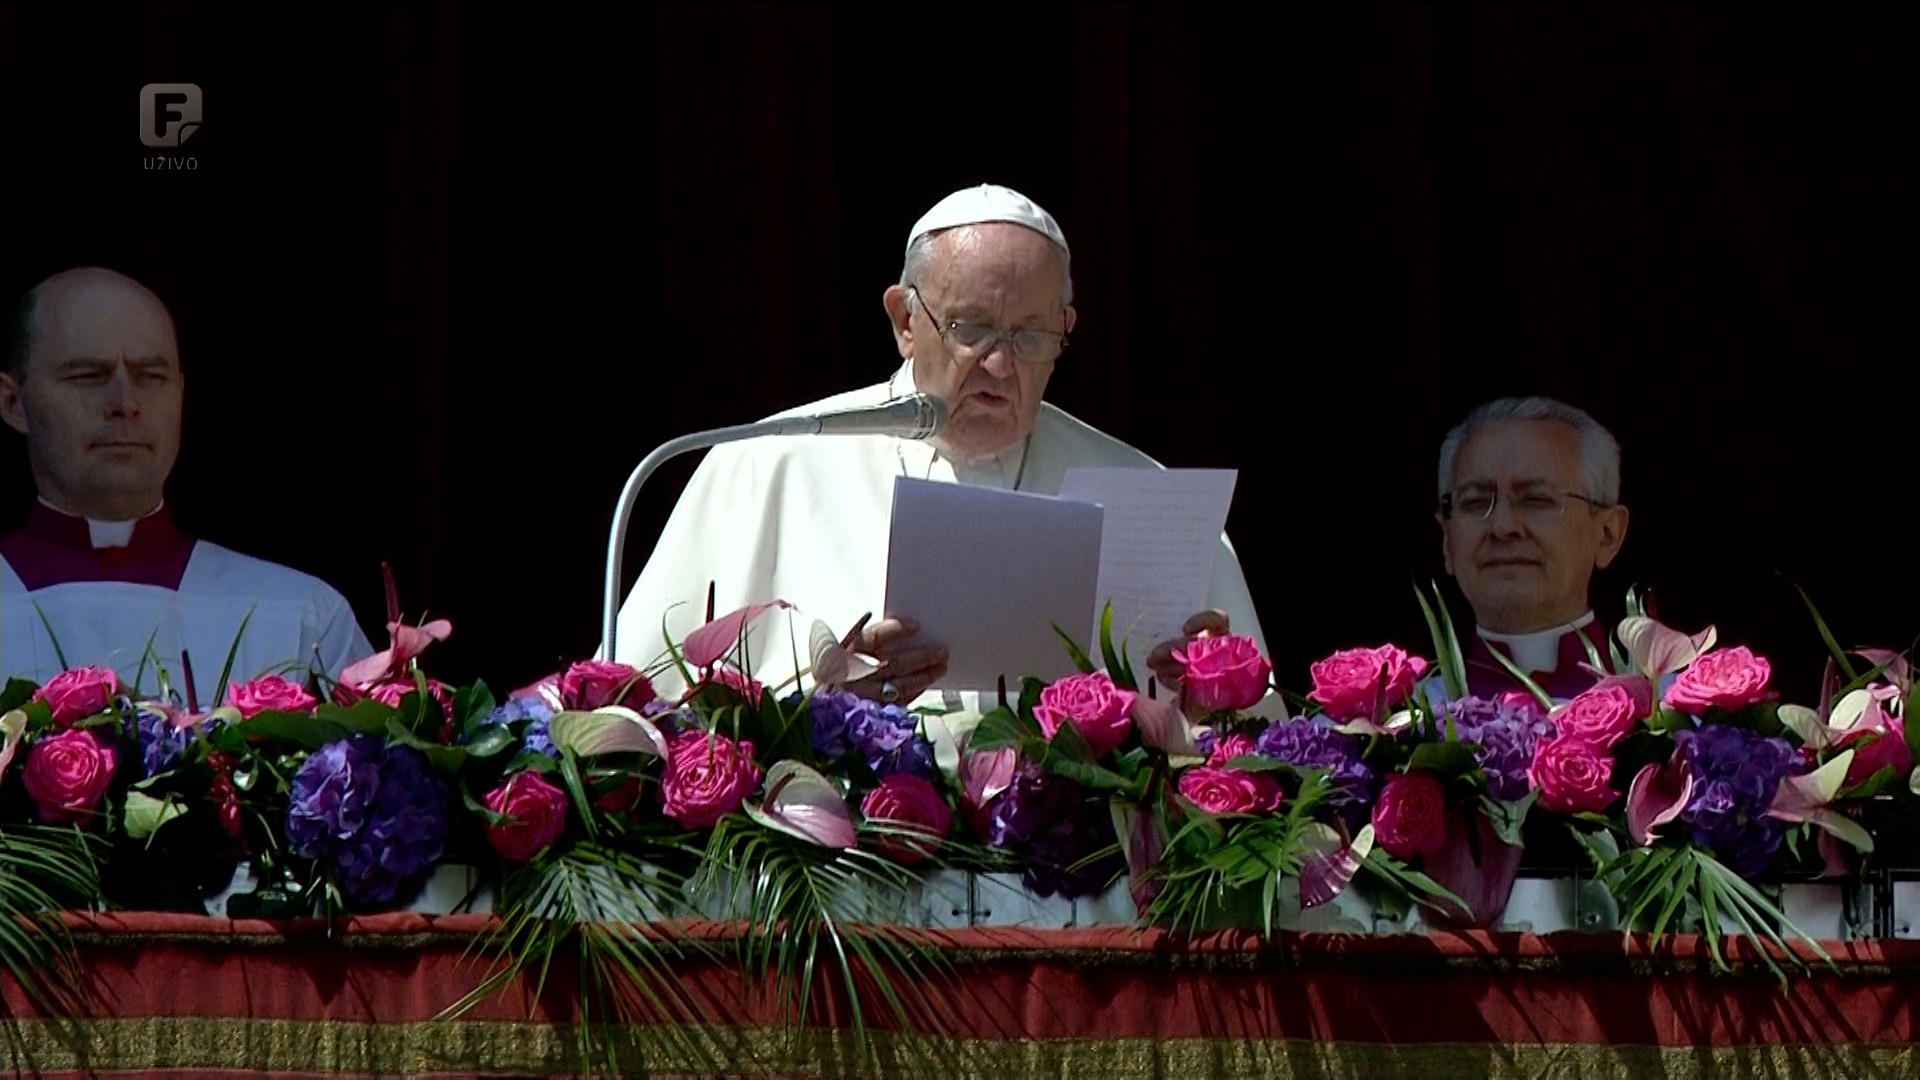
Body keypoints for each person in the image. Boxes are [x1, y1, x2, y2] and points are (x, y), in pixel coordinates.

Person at [611, 183, 1267, 711]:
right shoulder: (769, 462)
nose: (1002, 366)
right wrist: (822, 701)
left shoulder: (1139, 486)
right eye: (972, 329)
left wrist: (1206, 697)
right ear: (904, 320)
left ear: (1066, 331)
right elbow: (633, 717)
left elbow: (1258, 758)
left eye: (1031, 335)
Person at [0, 267, 373, 702]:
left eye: (150, 376)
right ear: (13, 402)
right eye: (87, 376)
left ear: (180, 393)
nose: (125, 403)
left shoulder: (301, 617)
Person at [1433, 396, 1630, 699]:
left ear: (1607, 534)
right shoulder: (1391, 732)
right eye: (1475, 502)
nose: (1502, 526)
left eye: (1536, 500)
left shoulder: (1684, 724)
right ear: (1447, 539)